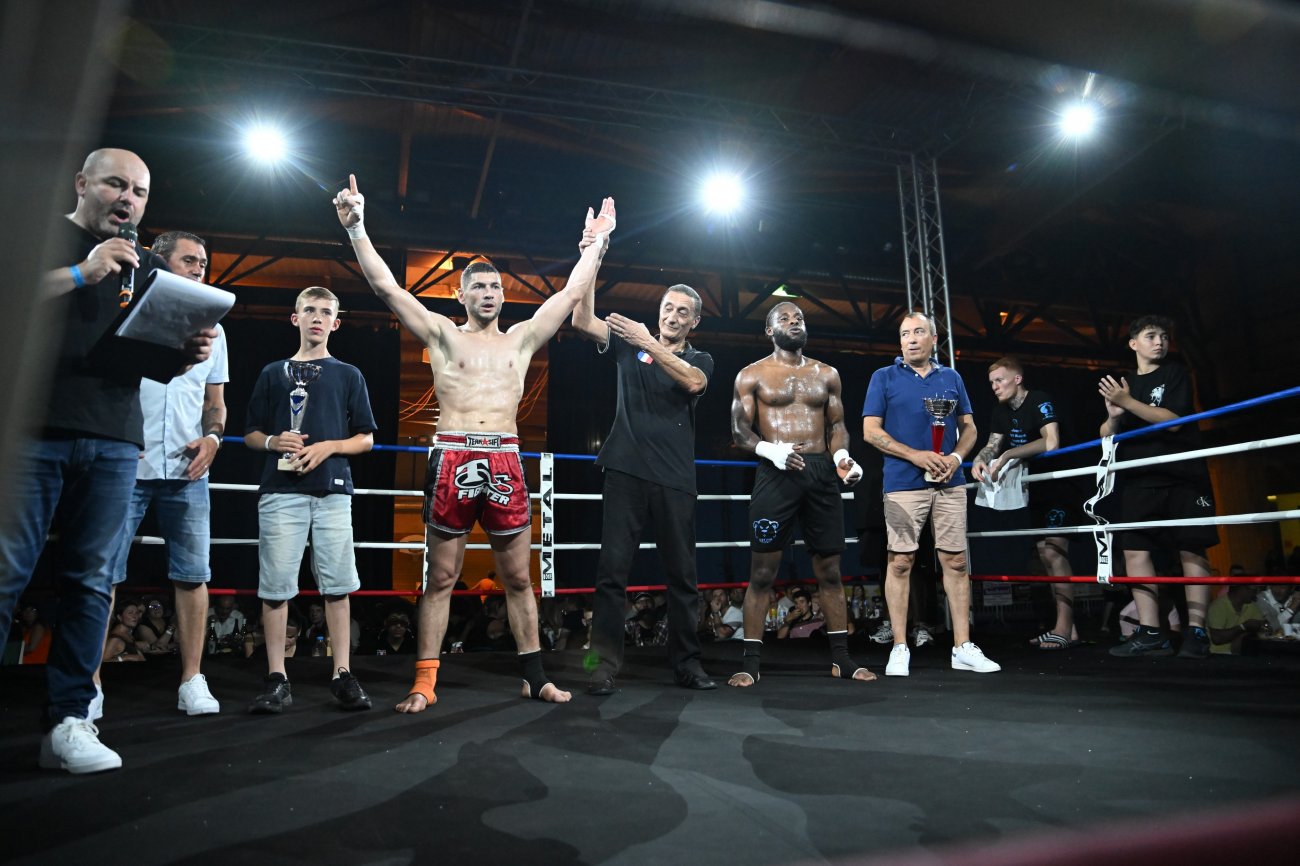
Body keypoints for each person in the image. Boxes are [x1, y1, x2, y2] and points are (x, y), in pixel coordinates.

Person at [335, 174, 612, 711]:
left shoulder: (522, 339)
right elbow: (388, 288)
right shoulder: (442, 333)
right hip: (453, 453)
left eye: (495, 287)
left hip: (505, 454)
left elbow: (571, 294)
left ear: (504, 296)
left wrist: (597, 244)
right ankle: (424, 681)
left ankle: (534, 676)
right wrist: (356, 229)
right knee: (441, 576)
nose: (488, 294)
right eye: (479, 287)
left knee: (518, 577)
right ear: (460, 295)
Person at [0, 148, 214, 774]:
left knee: (92, 580)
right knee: (7, 573)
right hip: (32, 430)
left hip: (116, 439)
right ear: (82, 183)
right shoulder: (41, 238)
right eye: (117, 184)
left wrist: (184, 354)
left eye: (139, 191)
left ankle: (69, 720)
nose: (128, 198)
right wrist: (81, 271)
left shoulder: (149, 266)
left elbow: (146, 359)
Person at [569, 229, 717, 696]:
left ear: (694, 322)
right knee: (611, 573)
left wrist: (645, 342)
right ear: (659, 310)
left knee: (683, 577)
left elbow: (693, 383)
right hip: (626, 472)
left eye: (682, 312)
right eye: (668, 308)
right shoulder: (628, 344)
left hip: (675, 479)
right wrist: (593, 256)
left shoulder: (699, 358)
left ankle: (688, 665)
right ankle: (601, 666)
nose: (672, 316)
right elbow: (581, 319)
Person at [102, 229, 227, 713]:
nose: (199, 269)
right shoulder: (129, 309)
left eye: (203, 263)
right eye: (189, 260)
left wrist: (214, 439)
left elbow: (216, 403)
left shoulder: (217, 330)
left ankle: (192, 679)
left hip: (187, 470)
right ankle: (88, 683)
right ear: (159, 261)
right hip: (126, 464)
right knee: (102, 575)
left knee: (193, 575)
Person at [243, 285, 377, 712]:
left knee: (338, 586)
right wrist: (273, 442)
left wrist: (329, 446)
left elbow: (366, 438)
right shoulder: (273, 372)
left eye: (325, 312)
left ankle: (343, 673)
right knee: (276, 587)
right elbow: (250, 433)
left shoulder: (349, 374)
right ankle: (277, 676)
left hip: (332, 491)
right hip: (281, 490)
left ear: (335, 323)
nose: (317, 318)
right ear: (295, 318)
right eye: (310, 310)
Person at [727, 302, 872, 686]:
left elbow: (837, 425)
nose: (794, 322)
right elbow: (739, 431)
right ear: (769, 330)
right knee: (762, 572)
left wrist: (841, 457)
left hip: (821, 473)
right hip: (776, 472)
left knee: (830, 570)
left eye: (799, 318)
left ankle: (841, 659)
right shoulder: (752, 374)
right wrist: (771, 450)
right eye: (784, 318)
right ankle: (751, 663)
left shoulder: (827, 374)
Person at [861, 312, 1000, 677]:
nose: (910, 339)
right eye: (904, 333)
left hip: (950, 483)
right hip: (903, 483)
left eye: (918, 332)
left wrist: (955, 458)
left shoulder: (951, 377)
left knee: (955, 562)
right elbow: (870, 431)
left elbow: (969, 428)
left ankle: (962, 647)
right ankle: (899, 647)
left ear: (934, 339)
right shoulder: (883, 377)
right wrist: (915, 455)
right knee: (900, 562)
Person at [1099, 315, 1218, 659]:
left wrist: (1127, 403)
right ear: (1133, 343)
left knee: (1192, 547)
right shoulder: (1124, 384)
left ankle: (1197, 631)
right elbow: (1105, 435)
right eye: (1151, 335)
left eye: (1164, 336)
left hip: (1182, 475)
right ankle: (1150, 631)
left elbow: (1174, 423)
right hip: (1139, 477)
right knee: (1135, 551)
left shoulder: (1175, 374)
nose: (1160, 341)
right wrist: (1114, 416)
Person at [972, 356, 1085, 650]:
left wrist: (1010, 454)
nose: (995, 387)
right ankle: (1067, 628)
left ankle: (1064, 628)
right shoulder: (1000, 411)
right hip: (1037, 488)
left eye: (1000, 380)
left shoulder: (1038, 400)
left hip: (1062, 484)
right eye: (991, 383)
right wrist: (980, 459)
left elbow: (1051, 441)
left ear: (1017, 379)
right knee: (1044, 555)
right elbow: (993, 444)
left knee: (1054, 553)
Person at [1206, 586, 1266, 655]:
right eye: (1254, 590)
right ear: (1241, 590)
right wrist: (1243, 627)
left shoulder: (1251, 606)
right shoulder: (1218, 606)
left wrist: (1245, 633)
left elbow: (1264, 627)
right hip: (1216, 654)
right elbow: (1217, 639)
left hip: (1239, 654)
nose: (1255, 594)